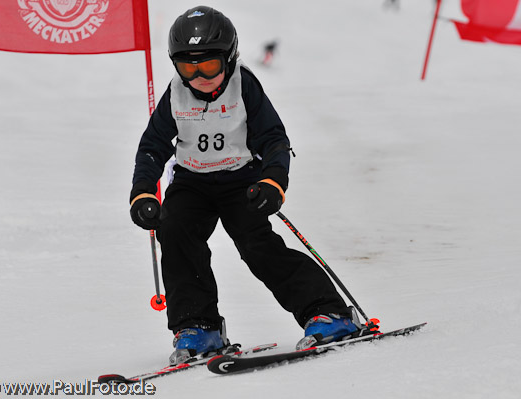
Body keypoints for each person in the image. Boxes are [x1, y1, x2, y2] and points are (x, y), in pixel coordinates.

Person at [129, 6, 363, 365]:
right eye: (187, 67)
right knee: (175, 233)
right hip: (192, 182)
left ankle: (328, 314)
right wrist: (143, 192)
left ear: (230, 57)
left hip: (241, 181)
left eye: (208, 65)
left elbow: (273, 139)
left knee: (257, 245)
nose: (199, 76)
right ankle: (198, 326)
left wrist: (273, 181)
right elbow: (152, 148)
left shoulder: (244, 85)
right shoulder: (176, 94)